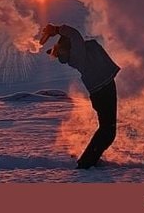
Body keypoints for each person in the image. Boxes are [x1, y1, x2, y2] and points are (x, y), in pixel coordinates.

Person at [40, 23, 120, 169]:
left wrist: (57, 33)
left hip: (102, 89)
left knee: (107, 130)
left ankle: (89, 161)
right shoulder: (78, 54)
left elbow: (73, 37)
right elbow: (74, 34)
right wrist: (56, 30)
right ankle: (86, 163)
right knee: (107, 131)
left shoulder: (77, 53)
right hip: (103, 90)